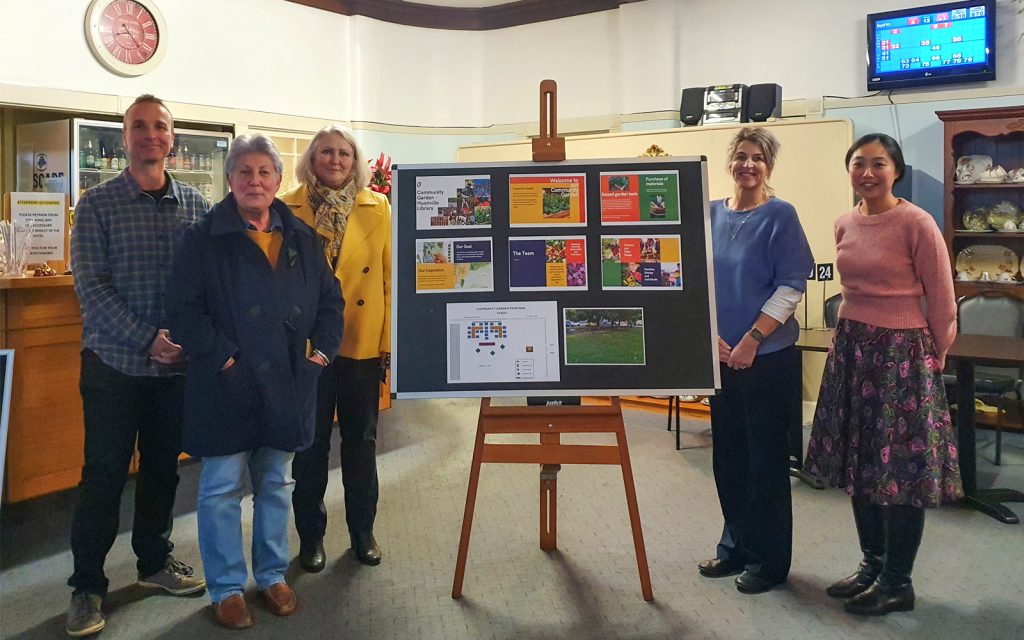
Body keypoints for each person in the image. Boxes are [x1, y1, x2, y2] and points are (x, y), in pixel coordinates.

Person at [166, 134, 344, 629]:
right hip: (226, 385)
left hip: (289, 383)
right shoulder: (200, 238)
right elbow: (183, 312)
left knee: (276, 482)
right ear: (230, 179)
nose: (255, 181)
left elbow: (331, 303)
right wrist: (224, 360)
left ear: (279, 180)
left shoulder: (304, 239)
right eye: (244, 171)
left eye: (264, 172)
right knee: (221, 487)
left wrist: (321, 357)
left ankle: (270, 575)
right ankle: (225, 587)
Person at [67, 94, 208, 638]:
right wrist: (149, 338)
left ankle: (152, 564)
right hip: (113, 366)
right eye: (139, 126)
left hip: (174, 372)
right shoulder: (97, 204)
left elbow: (203, 287)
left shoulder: (196, 204)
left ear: (172, 138)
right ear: (125, 136)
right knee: (102, 476)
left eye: (161, 127)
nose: (151, 135)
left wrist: (187, 340)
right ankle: (86, 586)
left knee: (162, 472)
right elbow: (92, 289)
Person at [804, 133, 961, 616]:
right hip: (852, 347)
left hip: (903, 353)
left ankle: (898, 581)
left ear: (896, 170)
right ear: (848, 169)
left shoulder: (917, 222)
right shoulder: (843, 222)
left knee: (901, 470)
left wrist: (934, 357)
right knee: (860, 461)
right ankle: (872, 565)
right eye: (858, 163)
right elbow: (852, 289)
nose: (867, 173)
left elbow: (942, 296)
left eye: (878, 164)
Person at [700, 127, 813, 595]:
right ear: (730, 163)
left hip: (767, 357)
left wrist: (750, 339)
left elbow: (791, 285)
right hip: (719, 357)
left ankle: (770, 562)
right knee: (728, 458)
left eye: (758, 159)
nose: (748, 165)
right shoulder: (708, 214)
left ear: (769, 166)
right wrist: (711, 340)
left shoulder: (781, 215)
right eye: (741, 157)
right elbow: (693, 280)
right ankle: (736, 548)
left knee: (765, 461)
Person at [281, 124, 392, 571]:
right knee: (308, 447)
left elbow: (387, 279)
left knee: (360, 444)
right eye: (326, 152)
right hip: (307, 345)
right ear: (311, 158)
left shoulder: (377, 206)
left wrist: (387, 344)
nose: (335, 160)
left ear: (355, 161)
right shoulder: (286, 206)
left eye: (344, 154)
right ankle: (311, 538)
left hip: (361, 343)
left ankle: (362, 531)